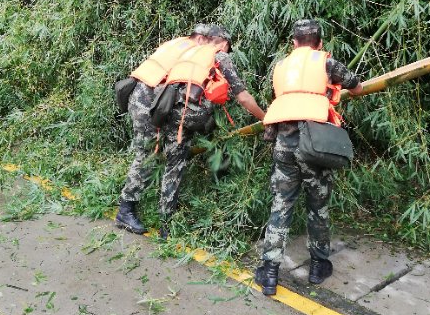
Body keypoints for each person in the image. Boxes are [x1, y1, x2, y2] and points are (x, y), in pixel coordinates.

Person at [118, 24, 266, 239]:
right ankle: (135, 212)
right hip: (159, 106)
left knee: (173, 156)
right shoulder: (216, 55)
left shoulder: (184, 49)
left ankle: (165, 220)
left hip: (164, 106)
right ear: (224, 44)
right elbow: (242, 97)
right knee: (153, 156)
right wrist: (265, 118)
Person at [255, 19, 363, 296]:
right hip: (314, 147)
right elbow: (356, 86)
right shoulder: (326, 62)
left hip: (284, 146)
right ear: (320, 42)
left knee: (281, 205)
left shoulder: (280, 66)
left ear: (293, 43)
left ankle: (269, 273)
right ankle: (318, 266)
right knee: (317, 207)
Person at [116, 23, 212, 233]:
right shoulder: (192, 51)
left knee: (153, 153)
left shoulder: (177, 43)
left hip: (141, 95)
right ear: (201, 39)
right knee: (147, 155)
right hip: (146, 100)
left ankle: (151, 210)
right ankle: (126, 210)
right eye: (209, 43)